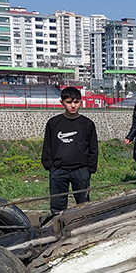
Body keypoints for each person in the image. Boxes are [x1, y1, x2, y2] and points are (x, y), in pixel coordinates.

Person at [41, 86, 99, 215]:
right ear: (62, 102)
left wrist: (89, 169)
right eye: (69, 102)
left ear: (80, 102)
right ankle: (58, 230)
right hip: (58, 170)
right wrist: (49, 166)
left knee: (84, 206)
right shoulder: (53, 123)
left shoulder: (87, 124)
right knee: (57, 206)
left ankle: (84, 228)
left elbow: (93, 148)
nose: (73, 105)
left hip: (81, 170)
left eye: (76, 102)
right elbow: (47, 145)